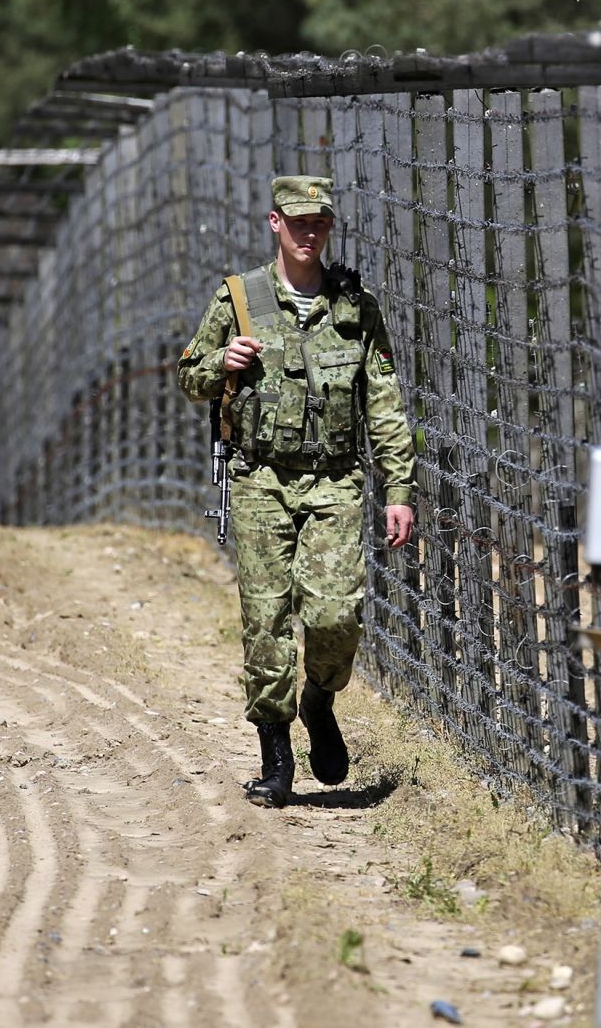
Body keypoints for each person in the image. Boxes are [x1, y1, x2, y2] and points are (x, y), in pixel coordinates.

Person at [177, 175, 416, 809]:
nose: (310, 234)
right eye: (298, 222)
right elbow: (189, 378)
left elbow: (384, 406)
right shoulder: (239, 300)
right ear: (274, 222)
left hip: (335, 479)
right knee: (266, 621)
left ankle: (319, 698)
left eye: (320, 224)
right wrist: (220, 363)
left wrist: (399, 489)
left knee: (336, 614)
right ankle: (276, 756)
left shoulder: (354, 307)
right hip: (259, 479)